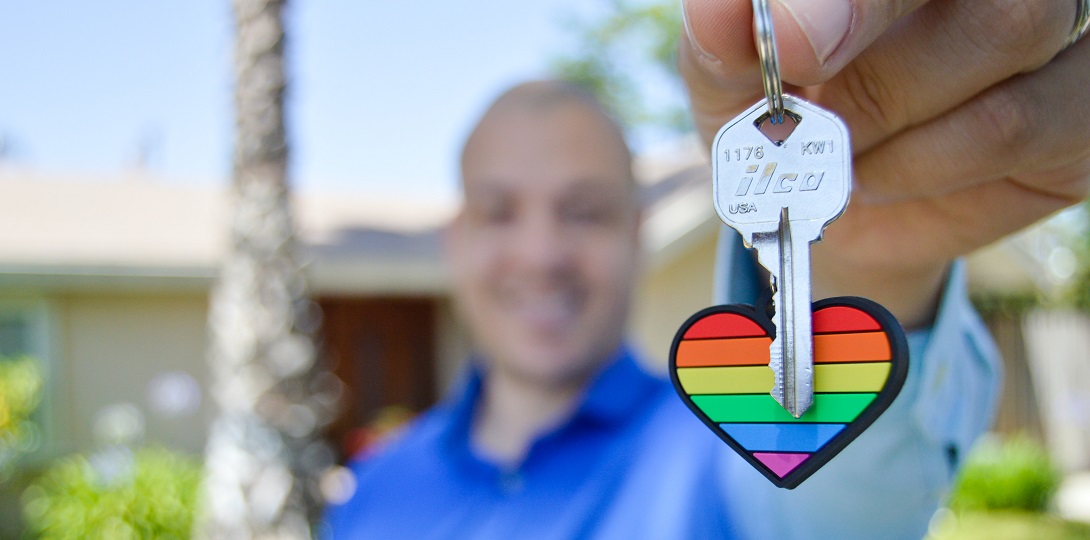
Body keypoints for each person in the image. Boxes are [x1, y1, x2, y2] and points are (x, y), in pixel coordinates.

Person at [324, 0, 1089, 537]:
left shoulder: (725, 443)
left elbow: (849, 512)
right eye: (499, 211)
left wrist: (870, 257)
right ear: (457, 239)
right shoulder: (374, 494)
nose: (541, 253)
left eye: (585, 210)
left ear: (637, 233)